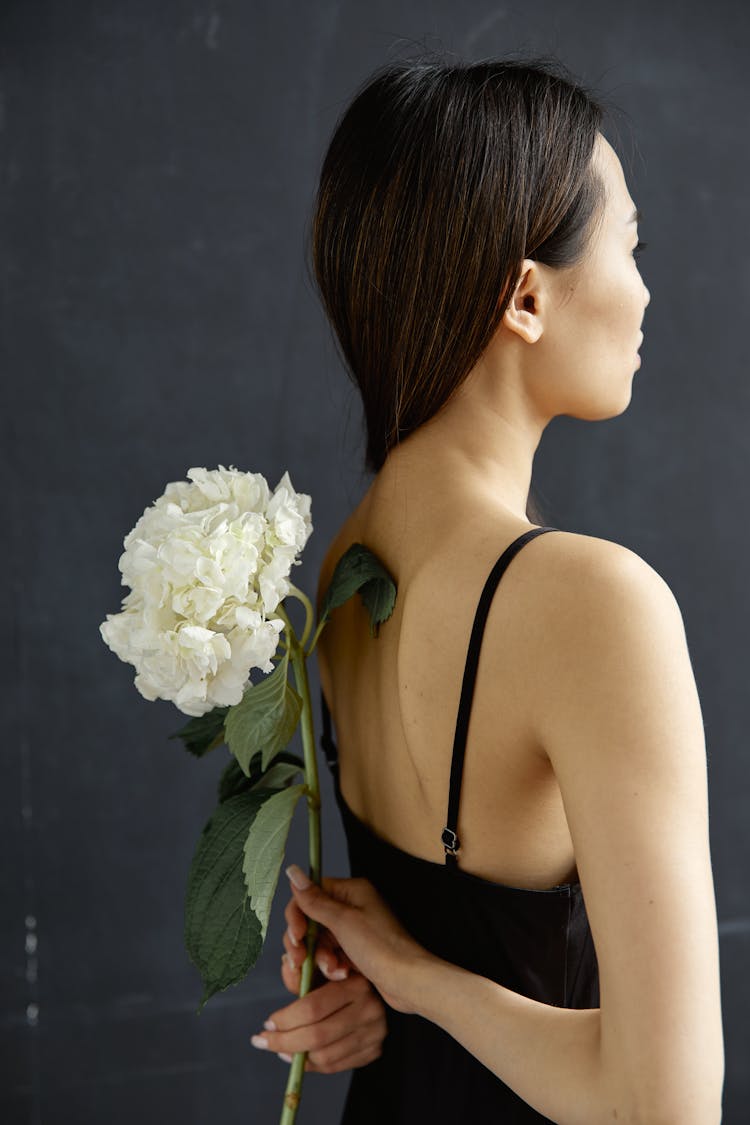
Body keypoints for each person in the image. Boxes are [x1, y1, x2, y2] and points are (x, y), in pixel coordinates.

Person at [249, 54, 725, 1123]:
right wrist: (412, 984)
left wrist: (380, 988)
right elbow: (667, 1107)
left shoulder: (342, 572)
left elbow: (412, 933)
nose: (647, 291)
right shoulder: (597, 605)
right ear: (524, 295)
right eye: (631, 246)